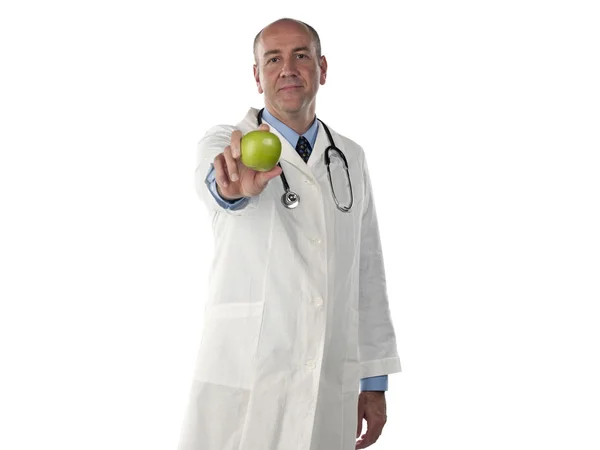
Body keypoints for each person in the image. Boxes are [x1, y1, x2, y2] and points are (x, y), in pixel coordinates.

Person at [177, 17, 401, 450]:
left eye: (301, 56)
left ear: (322, 67)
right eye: (273, 59)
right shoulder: (228, 144)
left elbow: (367, 269)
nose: (288, 69)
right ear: (257, 76)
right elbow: (218, 185)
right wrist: (232, 189)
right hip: (247, 371)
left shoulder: (349, 157)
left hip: (327, 374)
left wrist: (374, 379)